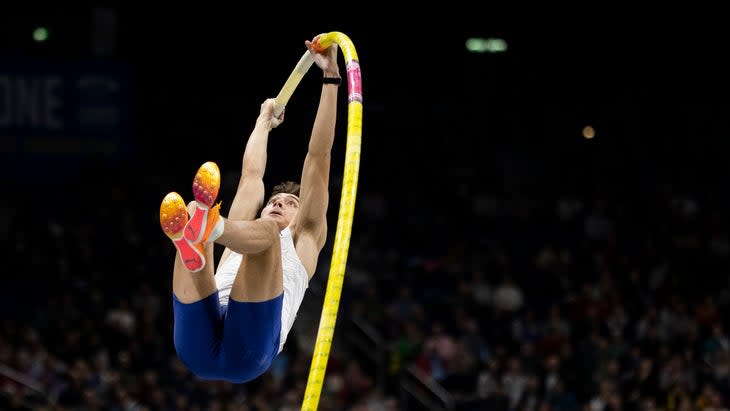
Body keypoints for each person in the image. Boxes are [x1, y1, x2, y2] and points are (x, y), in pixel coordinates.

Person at [158, 34, 340, 383]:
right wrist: (263, 122)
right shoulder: (249, 226)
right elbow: (252, 175)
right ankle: (194, 240)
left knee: (265, 236)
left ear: (302, 216)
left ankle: (204, 232)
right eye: (274, 201)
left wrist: (330, 78)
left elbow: (319, 156)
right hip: (199, 338)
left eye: (289, 204)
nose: (277, 204)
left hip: (250, 351)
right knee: (216, 233)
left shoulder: (305, 236)